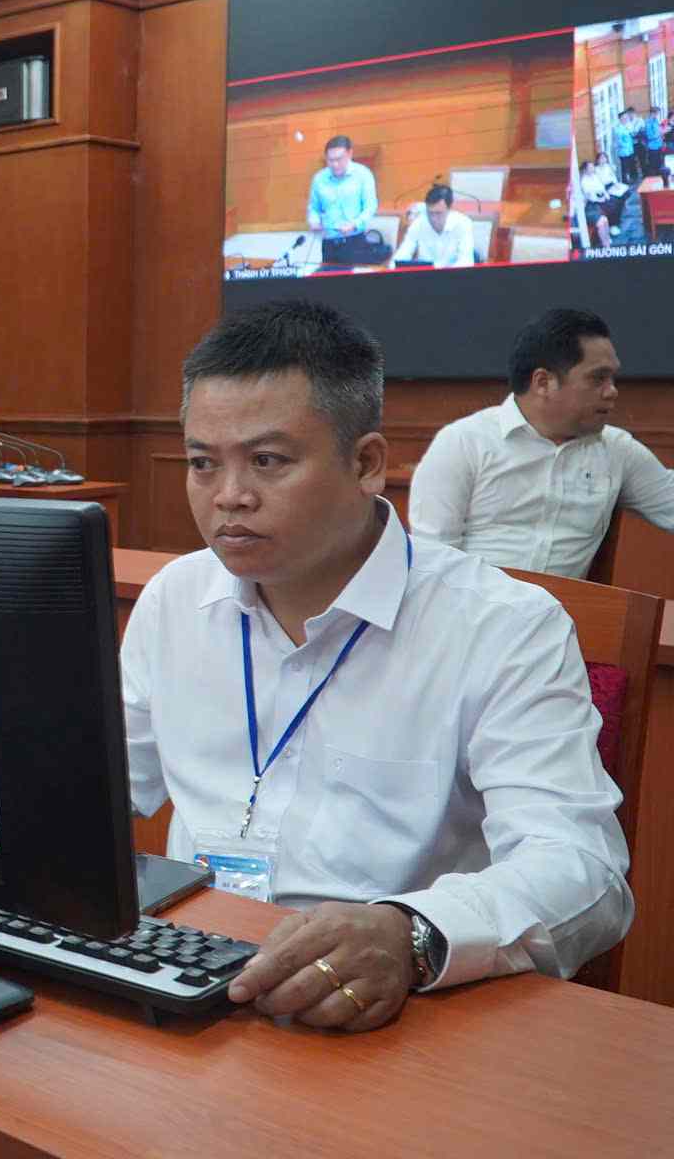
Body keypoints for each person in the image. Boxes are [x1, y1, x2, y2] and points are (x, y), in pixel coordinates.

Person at [121, 299, 630, 1034]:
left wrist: (412, 932)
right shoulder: (175, 599)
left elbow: (584, 870)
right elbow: (95, 785)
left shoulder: (501, 625)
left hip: (393, 1012)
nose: (228, 494)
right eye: (204, 463)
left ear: (365, 464)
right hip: (189, 976)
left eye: (267, 461)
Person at [409, 308, 674, 578]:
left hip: (565, 614)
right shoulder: (464, 442)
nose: (612, 391)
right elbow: (433, 560)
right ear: (543, 382)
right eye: (598, 378)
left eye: (612, 378)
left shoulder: (617, 450)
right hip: (470, 611)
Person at [304, 135, 383, 266]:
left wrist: (354, 224)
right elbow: (314, 207)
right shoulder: (319, 179)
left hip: (355, 242)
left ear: (350, 154)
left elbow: (371, 206)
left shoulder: (363, 174)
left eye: (339, 159)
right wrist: (314, 221)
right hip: (328, 243)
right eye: (330, 160)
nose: (334, 164)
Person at [392, 184, 476, 268]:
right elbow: (403, 253)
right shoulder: (418, 223)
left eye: (438, 213)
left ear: (450, 208)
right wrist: (393, 267)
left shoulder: (463, 223)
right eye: (430, 213)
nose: (433, 219)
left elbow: (466, 261)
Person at [575, 160, 620, 249]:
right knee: (605, 215)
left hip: (599, 199)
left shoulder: (595, 176)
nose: (593, 169)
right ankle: (606, 244)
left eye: (593, 167)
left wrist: (606, 195)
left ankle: (609, 235)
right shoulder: (583, 181)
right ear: (585, 170)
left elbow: (602, 188)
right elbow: (590, 196)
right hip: (592, 204)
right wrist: (601, 199)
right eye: (590, 167)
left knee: (615, 203)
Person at [613, 108, 641, 186]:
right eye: (624, 118)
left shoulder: (629, 126)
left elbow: (632, 134)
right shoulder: (618, 129)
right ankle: (626, 182)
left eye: (626, 117)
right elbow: (619, 141)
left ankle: (635, 180)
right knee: (625, 168)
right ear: (620, 119)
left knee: (633, 165)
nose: (626, 119)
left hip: (630, 149)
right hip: (624, 151)